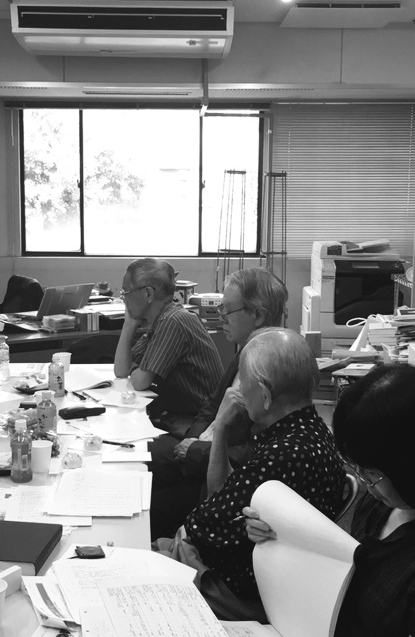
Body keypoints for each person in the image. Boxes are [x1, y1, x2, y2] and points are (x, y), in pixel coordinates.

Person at [154, 327, 345, 621]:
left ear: (265, 395)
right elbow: (223, 492)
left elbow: (200, 523)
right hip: (274, 585)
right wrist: (221, 427)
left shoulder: (282, 456)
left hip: (243, 593)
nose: (239, 391)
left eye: (243, 383)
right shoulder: (309, 432)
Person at [244, 363, 415, 637]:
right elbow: (339, 569)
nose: (365, 485)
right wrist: (277, 539)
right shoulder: (380, 504)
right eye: (357, 470)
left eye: (372, 474)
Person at [149, 266, 289, 540]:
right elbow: (211, 404)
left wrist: (194, 450)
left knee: (149, 505)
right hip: (201, 453)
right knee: (142, 470)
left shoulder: (273, 369)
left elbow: (251, 453)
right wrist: (192, 440)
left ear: (258, 315)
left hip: (223, 482)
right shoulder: (246, 350)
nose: (221, 316)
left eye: (228, 310)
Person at [114, 257, 224, 430]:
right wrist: (129, 325)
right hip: (183, 416)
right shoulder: (162, 320)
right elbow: (121, 370)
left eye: (125, 292)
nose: (123, 299)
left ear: (148, 294)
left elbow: (140, 381)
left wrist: (135, 370)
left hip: (199, 424)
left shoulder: (173, 321)